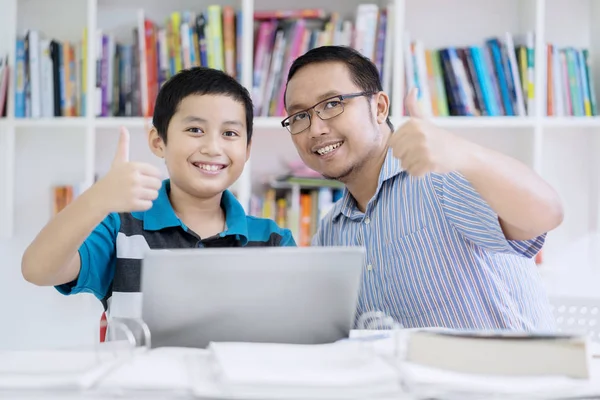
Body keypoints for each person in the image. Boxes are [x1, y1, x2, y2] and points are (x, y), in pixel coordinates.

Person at [281, 46, 564, 331]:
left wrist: (462, 153)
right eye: (299, 117)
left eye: (332, 104)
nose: (315, 129)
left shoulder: (442, 178)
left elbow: (546, 214)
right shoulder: (330, 233)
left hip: (510, 374)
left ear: (379, 107)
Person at [22, 67, 295, 327]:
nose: (213, 147)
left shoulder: (274, 242)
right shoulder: (120, 229)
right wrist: (98, 198)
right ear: (158, 141)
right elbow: (37, 269)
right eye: (195, 130)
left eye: (230, 133)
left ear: (247, 149)